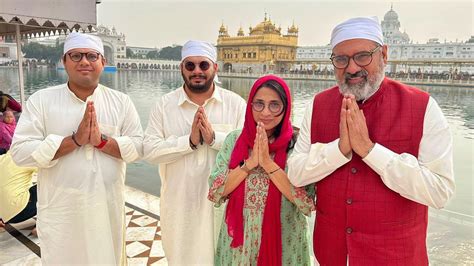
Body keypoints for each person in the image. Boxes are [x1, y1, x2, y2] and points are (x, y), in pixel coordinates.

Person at [287, 16, 454, 265]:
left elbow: (440, 192)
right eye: (341, 59)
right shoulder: (319, 105)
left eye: (362, 56)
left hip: (396, 257)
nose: (352, 68)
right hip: (332, 255)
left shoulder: (422, 107)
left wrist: (370, 151)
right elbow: (296, 174)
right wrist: (339, 149)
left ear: (383, 54)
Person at [10, 32, 143, 265]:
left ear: (103, 62)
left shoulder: (121, 102)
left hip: (106, 208)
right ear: (64, 61)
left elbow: (140, 148)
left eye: (92, 56)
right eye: (76, 55)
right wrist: (74, 141)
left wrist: (102, 141)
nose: (84, 61)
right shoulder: (42, 100)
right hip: (62, 211)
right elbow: (20, 152)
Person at [143, 40, 246, 265]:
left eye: (203, 65)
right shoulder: (164, 105)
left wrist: (214, 139)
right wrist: (187, 142)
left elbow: (248, 152)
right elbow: (149, 151)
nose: (197, 71)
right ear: (181, 68)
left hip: (224, 205)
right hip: (180, 205)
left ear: (215, 68)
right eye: (190, 66)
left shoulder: (235, 104)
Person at [208, 75, 315, 265]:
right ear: (250, 106)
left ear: (286, 108)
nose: (265, 112)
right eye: (259, 104)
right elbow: (216, 192)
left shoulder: (297, 145)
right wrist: (249, 163)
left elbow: (306, 203)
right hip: (239, 246)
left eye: (275, 105)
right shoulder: (234, 141)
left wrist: (268, 163)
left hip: (285, 242)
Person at [0, 152, 37, 235]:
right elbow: (49, 172)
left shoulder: (2, 158)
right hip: (21, 212)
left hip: (3, 217)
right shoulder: (25, 159)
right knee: (49, 185)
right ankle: (43, 226)